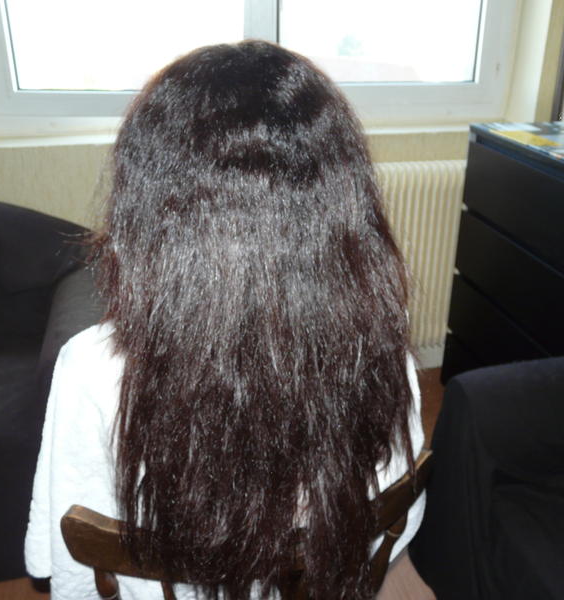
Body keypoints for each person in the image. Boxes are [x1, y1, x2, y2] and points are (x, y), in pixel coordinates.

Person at [25, 40, 424, 600]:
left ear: (148, 205)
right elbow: (395, 515)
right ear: (343, 199)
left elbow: (71, 557)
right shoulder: (382, 343)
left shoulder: (91, 368)